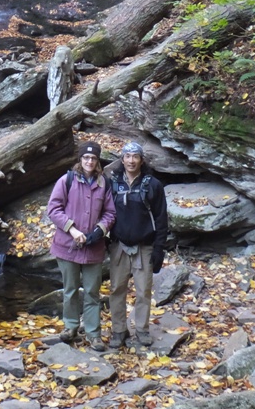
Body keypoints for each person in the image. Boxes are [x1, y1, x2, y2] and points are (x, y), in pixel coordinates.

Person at [47, 141, 116, 352]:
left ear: (97, 162)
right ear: (80, 160)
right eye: (86, 158)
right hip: (68, 246)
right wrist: (73, 230)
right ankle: (70, 327)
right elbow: (53, 209)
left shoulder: (104, 184)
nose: (89, 161)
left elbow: (110, 213)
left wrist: (99, 230)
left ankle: (94, 334)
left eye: (93, 158)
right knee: (70, 290)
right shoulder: (66, 180)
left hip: (93, 248)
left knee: (93, 292)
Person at [105, 141, 168, 348]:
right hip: (118, 245)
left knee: (143, 291)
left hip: (145, 246)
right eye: (127, 156)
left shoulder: (153, 185)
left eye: (135, 157)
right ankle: (119, 330)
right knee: (116, 289)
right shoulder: (112, 182)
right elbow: (103, 212)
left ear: (141, 160)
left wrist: (159, 248)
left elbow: (161, 219)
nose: (131, 160)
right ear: (122, 159)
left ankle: (142, 330)